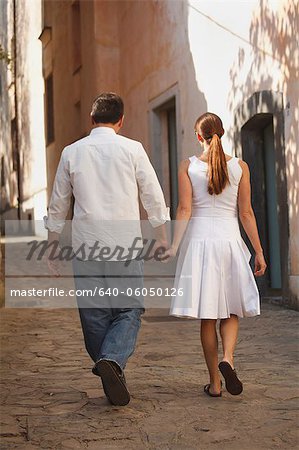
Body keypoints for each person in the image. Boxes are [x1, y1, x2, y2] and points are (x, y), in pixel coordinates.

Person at [44, 92, 170, 406]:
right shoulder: (133, 149)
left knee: (94, 314)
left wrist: (51, 247)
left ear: (91, 119)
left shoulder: (72, 152)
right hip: (125, 244)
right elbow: (152, 195)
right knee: (129, 309)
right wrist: (163, 236)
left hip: (86, 246)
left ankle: (109, 364)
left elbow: (58, 204)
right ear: (121, 120)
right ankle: (112, 360)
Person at [162, 112, 266, 397]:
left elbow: (185, 209)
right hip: (230, 242)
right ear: (223, 132)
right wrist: (258, 251)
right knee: (231, 309)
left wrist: (173, 246)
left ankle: (215, 384)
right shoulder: (240, 167)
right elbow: (246, 213)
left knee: (208, 316)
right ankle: (228, 359)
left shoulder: (189, 166)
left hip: (200, 244)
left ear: (199, 137)